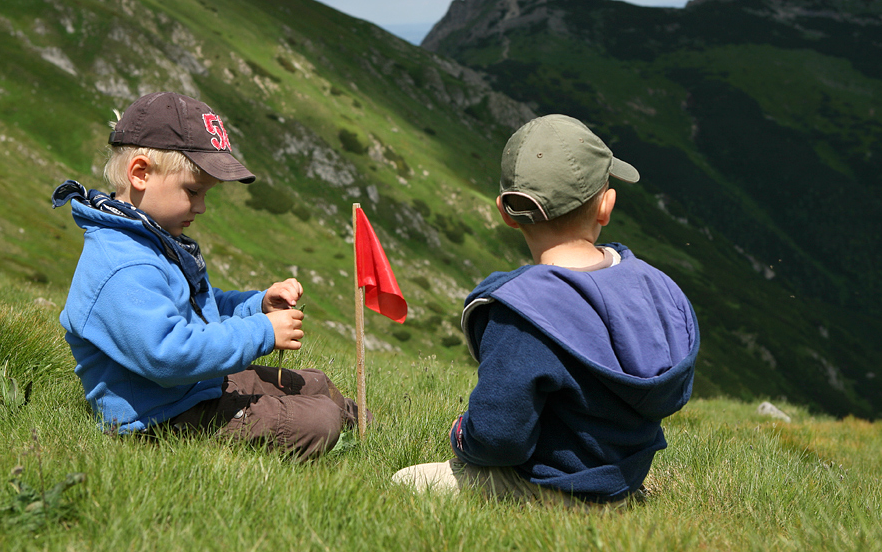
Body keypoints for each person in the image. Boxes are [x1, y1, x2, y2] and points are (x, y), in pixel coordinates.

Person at [392, 114, 699, 505]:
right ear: (606, 205)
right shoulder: (654, 285)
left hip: (550, 490)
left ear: (506, 212)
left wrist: (461, 434)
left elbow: (500, 439)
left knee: (404, 482)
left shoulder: (524, 311)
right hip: (623, 481)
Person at [52, 91, 358, 460]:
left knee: (317, 384)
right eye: (193, 191)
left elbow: (201, 309)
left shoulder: (150, 239)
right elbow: (168, 356)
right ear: (141, 173)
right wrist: (261, 332)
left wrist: (257, 305)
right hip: (159, 418)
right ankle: (349, 441)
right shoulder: (124, 265)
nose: (201, 206)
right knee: (320, 420)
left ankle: (376, 439)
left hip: (190, 389)